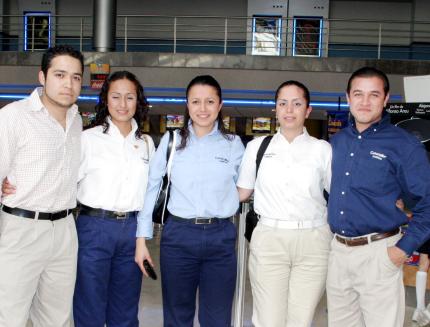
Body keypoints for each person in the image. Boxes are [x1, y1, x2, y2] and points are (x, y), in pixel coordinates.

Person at [135, 75, 244, 327]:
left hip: (220, 237)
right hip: (179, 236)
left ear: (219, 105)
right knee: (177, 316)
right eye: (196, 101)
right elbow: (151, 188)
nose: (202, 108)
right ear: (187, 104)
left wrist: (224, 202)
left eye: (209, 101)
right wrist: (142, 238)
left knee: (217, 318)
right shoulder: (172, 142)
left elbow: (244, 187)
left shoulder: (233, 144)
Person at [327, 66, 430, 327]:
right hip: (338, 254)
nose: (364, 101)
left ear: (386, 99)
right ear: (348, 97)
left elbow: (427, 202)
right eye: (358, 94)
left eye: (374, 95)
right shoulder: (338, 142)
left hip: (380, 253)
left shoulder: (404, 144)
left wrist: (402, 250)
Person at [0, 45, 84, 327]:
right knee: (10, 316)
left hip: (64, 230)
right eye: (60, 74)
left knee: (57, 318)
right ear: (42, 76)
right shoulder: (13, 116)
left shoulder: (76, 120)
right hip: (21, 228)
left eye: (75, 77)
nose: (68, 84)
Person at [237, 80, 332, 327]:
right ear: (275, 110)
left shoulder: (323, 150)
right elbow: (242, 192)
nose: (289, 110)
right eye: (283, 103)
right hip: (269, 239)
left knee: (300, 320)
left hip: (314, 240)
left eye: (297, 104)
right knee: (269, 320)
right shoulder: (257, 147)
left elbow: (339, 194)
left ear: (308, 110)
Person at [73, 71, 155, 327]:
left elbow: (150, 194)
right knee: (90, 305)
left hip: (131, 231)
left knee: (126, 309)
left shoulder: (147, 144)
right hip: (93, 228)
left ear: (138, 102)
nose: (122, 104)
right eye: (116, 96)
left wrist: (143, 237)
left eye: (129, 97)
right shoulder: (88, 139)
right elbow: (65, 180)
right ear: (106, 100)